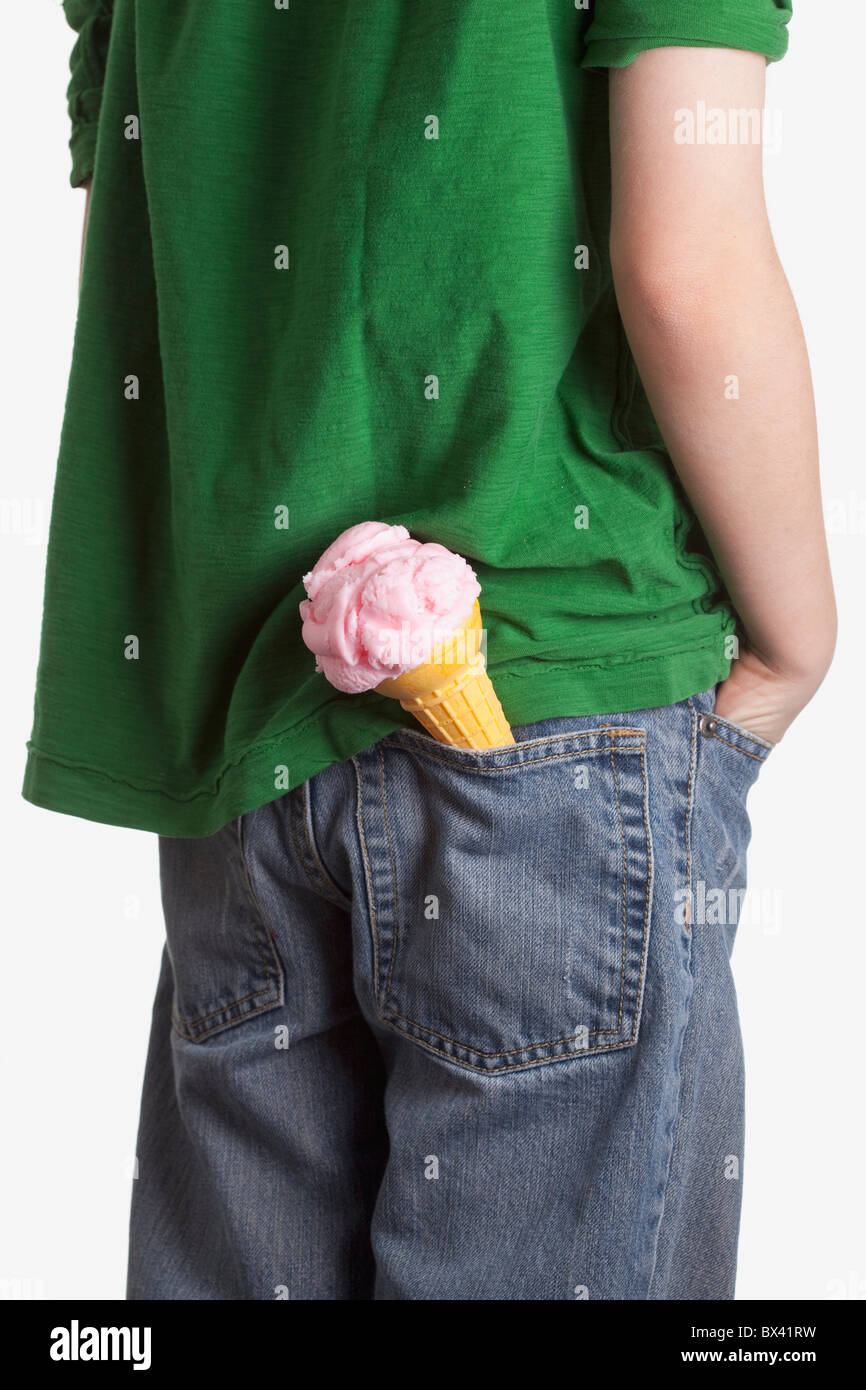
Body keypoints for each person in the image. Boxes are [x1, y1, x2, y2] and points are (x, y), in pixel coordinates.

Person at [26, 1, 834, 1299]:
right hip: (553, 684)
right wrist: (798, 633)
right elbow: (685, 267)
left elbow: (142, 216)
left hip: (248, 717)